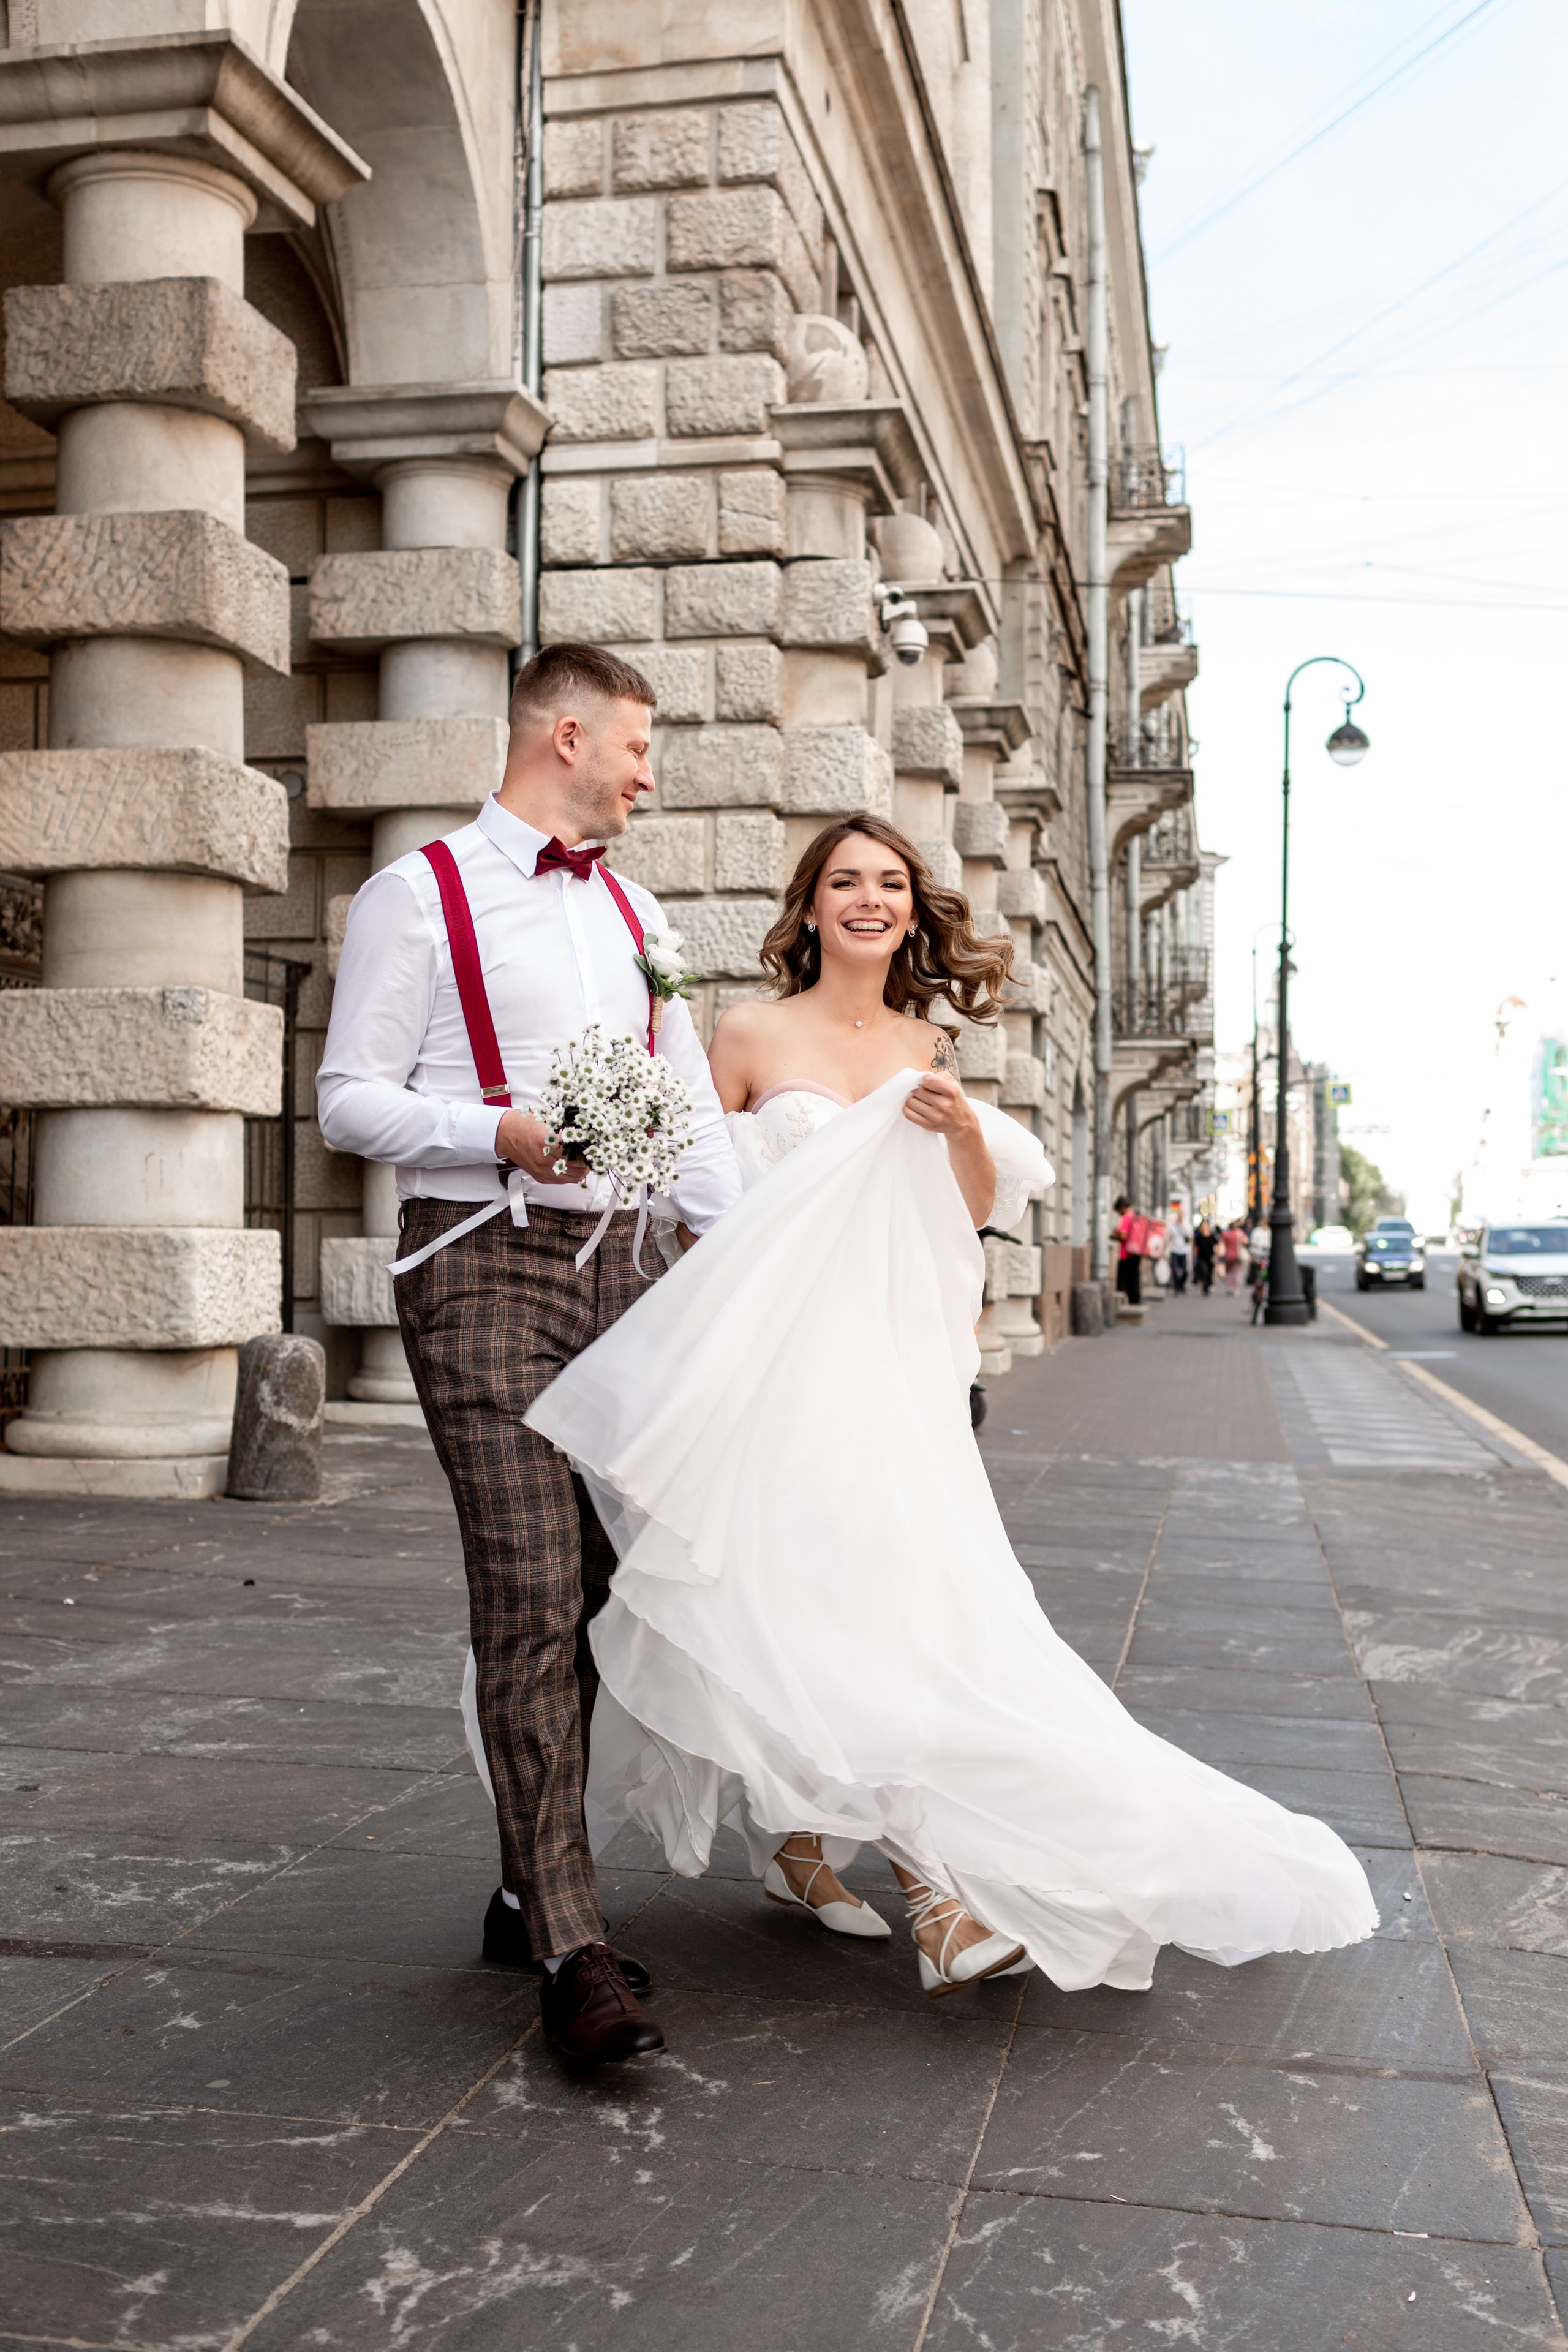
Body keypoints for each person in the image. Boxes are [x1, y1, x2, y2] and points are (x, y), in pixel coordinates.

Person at [525, 818, 1377, 2024]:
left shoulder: (928, 1043)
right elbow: (690, 1202)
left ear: (910, 915)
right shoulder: (745, 1033)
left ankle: (804, 1849)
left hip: (888, 1377)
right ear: (809, 909)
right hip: (776, 1375)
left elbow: (964, 1214)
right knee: (830, 1610)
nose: (867, 900)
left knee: (889, 1612)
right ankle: (937, 1901)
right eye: (843, 883)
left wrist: (964, 1131)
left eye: (887, 885)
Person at [317, 642, 742, 2065]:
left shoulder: (636, 908)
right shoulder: (416, 893)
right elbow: (348, 1103)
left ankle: (521, 1871)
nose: (648, 770)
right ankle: (573, 1944)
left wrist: (734, 1265)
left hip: (628, 1267)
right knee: (528, 1581)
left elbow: (679, 1105)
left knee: (619, 1592)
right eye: (636, 743)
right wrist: (492, 1130)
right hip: (483, 1265)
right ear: (566, 732)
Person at [1113, 1194, 1145, 1306]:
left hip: (1126, 1254)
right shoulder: (1136, 1216)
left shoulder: (1126, 1217)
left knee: (1122, 1282)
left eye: (1119, 1211)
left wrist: (1113, 1236)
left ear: (1121, 1208)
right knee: (1134, 1279)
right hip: (1137, 1253)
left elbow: (1123, 1236)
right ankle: (1135, 1302)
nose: (1119, 1213)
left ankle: (1119, 1306)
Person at [1166, 1202, 1192, 1295]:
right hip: (1174, 1250)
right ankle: (1177, 1289)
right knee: (1175, 1270)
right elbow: (1169, 1239)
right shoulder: (1173, 1226)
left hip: (1184, 1251)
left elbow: (1190, 1238)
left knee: (1185, 1271)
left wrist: (1183, 1228)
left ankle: (1182, 1285)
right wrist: (1165, 1250)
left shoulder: (1187, 1226)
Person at [1193, 1216, 1217, 1295]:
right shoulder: (1199, 1236)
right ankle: (1204, 1287)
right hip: (1202, 1257)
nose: (1204, 1227)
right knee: (1204, 1271)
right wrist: (1194, 1256)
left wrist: (1217, 1253)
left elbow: (1216, 1245)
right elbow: (1196, 1247)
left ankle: (1208, 1286)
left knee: (1209, 1273)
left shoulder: (1212, 1235)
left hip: (1210, 1257)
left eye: (1206, 1225)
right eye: (1203, 1225)